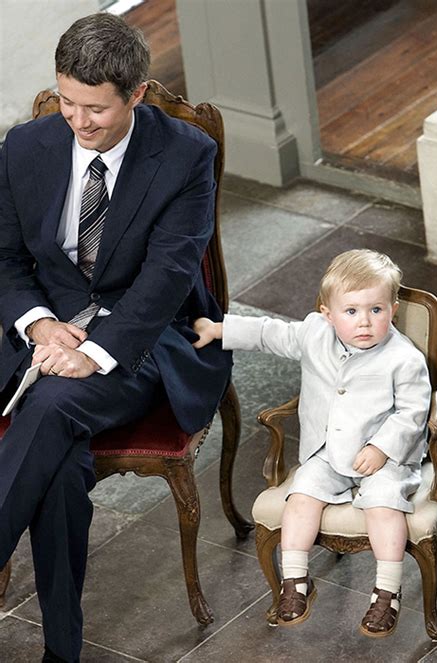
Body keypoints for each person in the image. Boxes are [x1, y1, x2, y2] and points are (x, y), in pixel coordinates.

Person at [0, 13, 231, 662]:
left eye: (95, 110)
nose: (77, 121)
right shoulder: (25, 147)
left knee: (48, 407)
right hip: (47, 335)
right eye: (67, 102)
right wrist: (42, 324)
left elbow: (166, 279)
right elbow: (7, 260)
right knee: (58, 464)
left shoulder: (186, 155)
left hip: (146, 339)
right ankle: (62, 651)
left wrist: (90, 351)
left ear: (134, 94)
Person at [193, 249, 431, 638]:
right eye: (351, 311)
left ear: (393, 309)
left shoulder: (403, 358)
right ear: (327, 313)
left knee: (385, 506)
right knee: (301, 499)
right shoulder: (313, 334)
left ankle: (387, 590)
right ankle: (296, 582)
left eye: (376, 310)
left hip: (384, 457)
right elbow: (271, 333)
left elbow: (412, 412)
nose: (365, 322)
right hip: (325, 451)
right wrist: (219, 329)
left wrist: (382, 448)